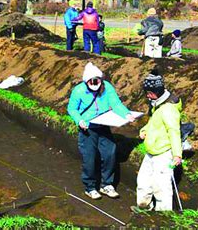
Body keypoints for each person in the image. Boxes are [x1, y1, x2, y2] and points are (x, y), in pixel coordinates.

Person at [68, 62, 135, 200]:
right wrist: (80, 120)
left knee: (110, 153)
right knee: (90, 158)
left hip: (103, 125)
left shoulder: (107, 87)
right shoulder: (79, 91)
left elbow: (115, 103)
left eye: (97, 81)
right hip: (87, 128)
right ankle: (90, 187)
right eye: (91, 81)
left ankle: (107, 184)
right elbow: (72, 109)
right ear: (86, 82)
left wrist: (126, 114)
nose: (94, 83)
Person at [133, 70, 182, 212]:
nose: (148, 96)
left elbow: (174, 131)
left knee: (161, 186)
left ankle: (163, 214)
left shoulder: (169, 109)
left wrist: (177, 154)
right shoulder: (157, 104)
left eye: (150, 92)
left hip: (163, 152)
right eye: (146, 92)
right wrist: (144, 130)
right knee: (143, 182)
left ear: (158, 91)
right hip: (151, 151)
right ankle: (144, 206)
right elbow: (154, 123)